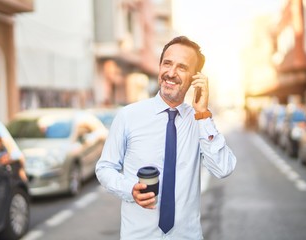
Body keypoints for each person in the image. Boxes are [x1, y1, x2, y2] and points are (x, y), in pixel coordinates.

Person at [95, 36, 237, 240]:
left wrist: (203, 114)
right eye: (167, 63)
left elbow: (223, 168)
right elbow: (105, 168)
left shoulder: (199, 121)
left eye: (182, 67)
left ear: (195, 78)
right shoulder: (128, 116)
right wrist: (130, 189)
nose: (171, 73)